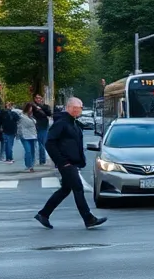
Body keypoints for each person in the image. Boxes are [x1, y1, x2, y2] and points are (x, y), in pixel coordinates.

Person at [34, 97, 106, 230]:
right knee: (78, 188)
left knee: (65, 190)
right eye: (80, 107)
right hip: (67, 163)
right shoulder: (62, 123)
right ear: (72, 108)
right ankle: (88, 218)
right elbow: (50, 143)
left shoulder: (72, 122)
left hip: (72, 162)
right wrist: (61, 161)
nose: (81, 109)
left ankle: (43, 214)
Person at [17, 102, 39, 172]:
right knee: (28, 150)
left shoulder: (32, 116)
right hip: (24, 135)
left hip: (32, 135)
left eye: (32, 107)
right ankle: (29, 165)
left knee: (32, 151)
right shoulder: (21, 115)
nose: (31, 109)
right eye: (30, 107)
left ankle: (31, 165)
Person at [32, 94, 52, 166]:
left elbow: (49, 113)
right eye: (37, 98)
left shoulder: (45, 106)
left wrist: (41, 107)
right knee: (33, 144)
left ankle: (42, 160)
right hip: (33, 126)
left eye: (40, 98)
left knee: (42, 143)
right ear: (34, 98)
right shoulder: (32, 106)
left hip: (43, 126)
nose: (38, 99)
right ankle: (33, 160)